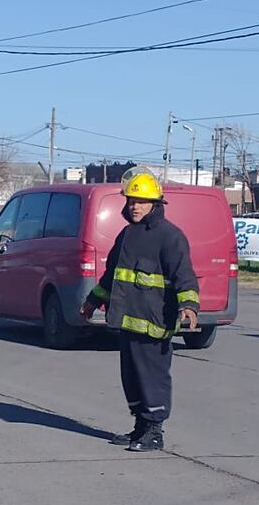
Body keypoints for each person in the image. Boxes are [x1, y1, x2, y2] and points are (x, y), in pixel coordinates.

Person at [80, 169, 199, 452]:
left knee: (151, 377)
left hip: (154, 323)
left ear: (155, 204)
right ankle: (140, 428)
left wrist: (189, 305)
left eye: (141, 202)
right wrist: (92, 301)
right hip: (128, 321)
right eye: (131, 201)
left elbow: (185, 276)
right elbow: (112, 276)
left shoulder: (170, 237)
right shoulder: (127, 235)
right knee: (131, 377)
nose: (135, 206)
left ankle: (155, 431)